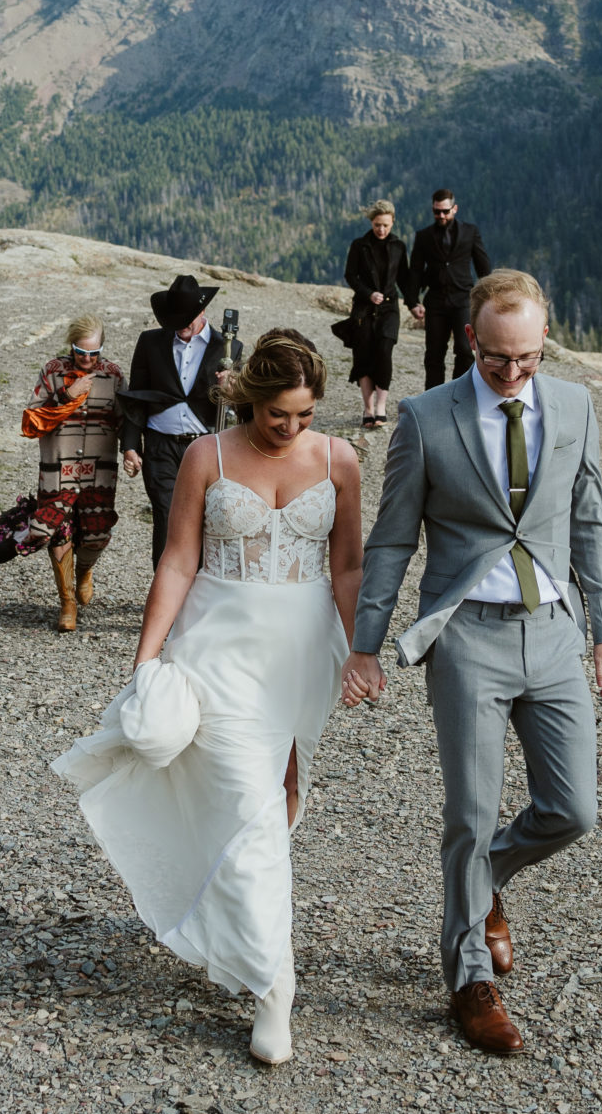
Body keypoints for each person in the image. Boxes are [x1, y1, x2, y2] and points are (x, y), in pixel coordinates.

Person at [55, 330, 361, 1067]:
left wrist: (361, 651)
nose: (291, 427)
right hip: (217, 648)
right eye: (278, 413)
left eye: (305, 414)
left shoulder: (341, 460)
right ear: (250, 398)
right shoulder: (207, 456)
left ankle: (240, 914)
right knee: (248, 804)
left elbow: (348, 564)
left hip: (301, 654)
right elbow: (178, 559)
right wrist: (146, 661)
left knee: (279, 797)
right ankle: (273, 985)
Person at [343, 269, 602, 1056]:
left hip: (555, 632)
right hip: (466, 634)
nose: (512, 372)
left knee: (574, 810)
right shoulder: (426, 418)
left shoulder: (573, 406)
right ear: (473, 339)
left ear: (544, 343)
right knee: (467, 816)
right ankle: (470, 980)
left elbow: (589, 522)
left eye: (528, 358)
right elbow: (395, 536)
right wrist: (365, 643)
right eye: (499, 357)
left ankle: (486, 878)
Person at [21, 317, 127, 633]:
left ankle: (84, 570)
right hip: (58, 467)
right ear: (72, 346)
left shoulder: (114, 375)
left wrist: (135, 452)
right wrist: (67, 396)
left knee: (97, 534)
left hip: (99, 469)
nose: (88, 359)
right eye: (82, 352)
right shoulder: (53, 372)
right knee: (52, 530)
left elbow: (126, 420)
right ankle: (67, 602)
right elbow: (30, 421)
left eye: (94, 353)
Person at [118, 275, 228, 567]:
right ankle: (166, 598)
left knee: (206, 519)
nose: (181, 326)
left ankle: (198, 595)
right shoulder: (150, 341)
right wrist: (130, 445)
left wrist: (233, 387)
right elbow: (136, 395)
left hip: (204, 448)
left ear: (202, 311)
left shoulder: (228, 348)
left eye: (187, 320)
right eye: (175, 320)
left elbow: (239, 408)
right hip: (159, 446)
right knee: (166, 518)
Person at [406, 189, 490, 389]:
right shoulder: (423, 236)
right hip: (435, 300)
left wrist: (489, 297)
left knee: (464, 349)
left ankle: (459, 393)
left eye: (445, 211)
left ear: (455, 208)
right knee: (434, 353)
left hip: (463, 298)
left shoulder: (470, 232)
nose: (441, 216)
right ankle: (433, 399)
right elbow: (416, 271)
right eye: (437, 212)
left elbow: (483, 266)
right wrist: (412, 301)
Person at [341, 201, 409, 429]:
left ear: (392, 223)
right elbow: (350, 275)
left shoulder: (399, 246)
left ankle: (381, 407)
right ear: (371, 222)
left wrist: (414, 303)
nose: (382, 230)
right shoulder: (359, 245)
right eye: (378, 225)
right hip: (363, 308)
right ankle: (368, 409)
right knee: (363, 355)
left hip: (389, 308)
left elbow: (404, 278)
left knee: (384, 351)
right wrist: (368, 294)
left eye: (386, 226)